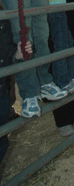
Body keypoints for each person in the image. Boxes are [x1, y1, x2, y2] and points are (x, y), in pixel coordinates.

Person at [0, 21, 32, 164]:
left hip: (2, 90)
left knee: (2, 142)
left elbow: (6, 53)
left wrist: (17, 55)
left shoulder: (4, 19)